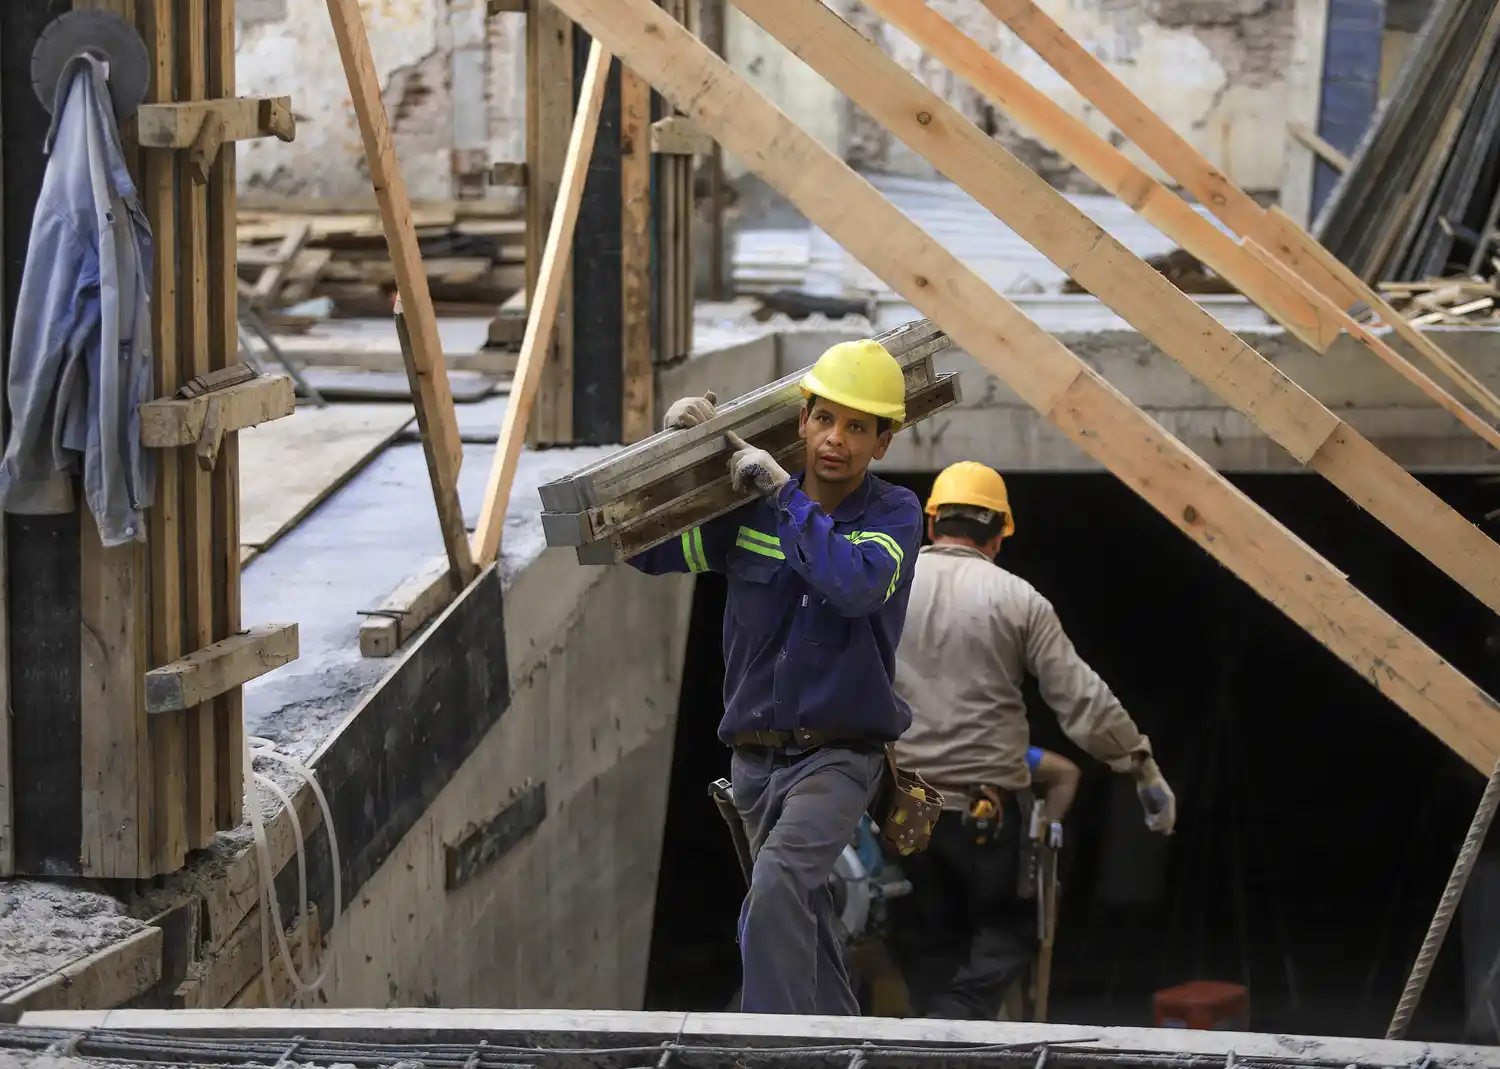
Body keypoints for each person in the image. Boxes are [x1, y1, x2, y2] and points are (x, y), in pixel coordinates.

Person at [626, 339, 925, 1016]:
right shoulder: (749, 515)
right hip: (757, 762)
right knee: (803, 918)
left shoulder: (893, 517)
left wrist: (785, 492)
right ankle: (848, 1043)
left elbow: (854, 585)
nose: (836, 440)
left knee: (781, 882)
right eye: (825, 419)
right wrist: (668, 457)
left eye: (857, 427)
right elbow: (641, 548)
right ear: (802, 421)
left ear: (883, 441)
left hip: (840, 756)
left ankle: (766, 1046)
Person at [888, 460, 1177, 1020]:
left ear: (930, 525)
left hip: (903, 809)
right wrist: (1140, 764)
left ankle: (934, 1034)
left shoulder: (886, 587)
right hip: (988, 812)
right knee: (1011, 933)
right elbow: (1081, 700)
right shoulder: (1020, 601)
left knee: (926, 941)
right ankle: (957, 1020)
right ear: (999, 535)